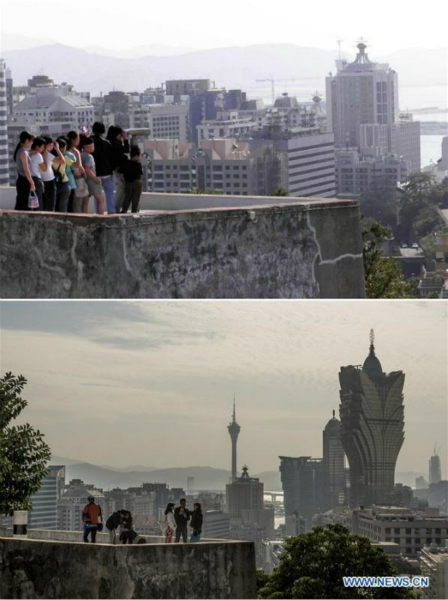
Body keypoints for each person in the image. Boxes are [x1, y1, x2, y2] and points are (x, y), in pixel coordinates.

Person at [92, 121, 114, 214]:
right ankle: (111, 211)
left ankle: (98, 212)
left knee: (97, 194)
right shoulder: (107, 143)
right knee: (109, 192)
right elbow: (111, 158)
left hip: (95, 173)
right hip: (106, 172)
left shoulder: (90, 142)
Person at [80, 136, 105, 214]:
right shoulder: (89, 156)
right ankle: (101, 217)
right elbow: (87, 169)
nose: (93, 147)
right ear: (86, 147)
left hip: (84, 180)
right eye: (92, 146)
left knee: (85, 202)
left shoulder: (80, 155)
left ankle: (85, 218)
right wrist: (95, 178)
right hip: (92, 181)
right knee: (101, 200)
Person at [107, 125, 129, 212]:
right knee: (122, 187)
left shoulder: (109, 142)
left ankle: (115, 207)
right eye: (120, 134)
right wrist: (126, 139)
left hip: (115, 169)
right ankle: (115, 207)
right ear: (117, 135)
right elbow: (126, 150)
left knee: (121, 187)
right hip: (119, 169)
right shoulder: (116, 144)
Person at [13, 131, 34, 211]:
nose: (32, 143)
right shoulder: (24, 153)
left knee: (20, 204)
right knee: (26, 205)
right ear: (27, 140)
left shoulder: (20, 151)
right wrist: (32, 183)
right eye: (31, 140)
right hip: (25, 181)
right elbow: (26, 170)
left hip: (20, 180)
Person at [66, 130, 86, 213]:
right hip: (76, 179)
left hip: (67, 179)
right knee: (78, 202)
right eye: (77, 138)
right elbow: (79, 167)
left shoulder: (65, 152)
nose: (79, 140)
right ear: (72, 140)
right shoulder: (74, 152)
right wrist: (84, 174)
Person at [120, 145, 143, 214]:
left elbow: (121, 174)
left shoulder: (126, 163)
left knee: (127, 197)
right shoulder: (138, 164)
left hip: (128, 183)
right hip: (136, 182)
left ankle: (124, 211)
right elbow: (140, 173)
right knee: (136, 198)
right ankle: (134, 212)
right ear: (136, 156)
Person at [40, 137, 59, 211]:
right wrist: (57, 149)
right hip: (49, 181)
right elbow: (63, 161)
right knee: (50, 205)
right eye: (51, 144)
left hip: (43, 180)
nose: (52, 146)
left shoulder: (38, 154)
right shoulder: (46, 155)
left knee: (44, 204)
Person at [29, 137, 47, 210]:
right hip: (36, 180)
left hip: (28, 179)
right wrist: (45, 156)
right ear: (37, 147)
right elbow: (44, 169)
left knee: (30, 202)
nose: (43, 149)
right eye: (42, 147)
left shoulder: (27, 153)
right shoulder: (38, 155)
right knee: (38, 202)